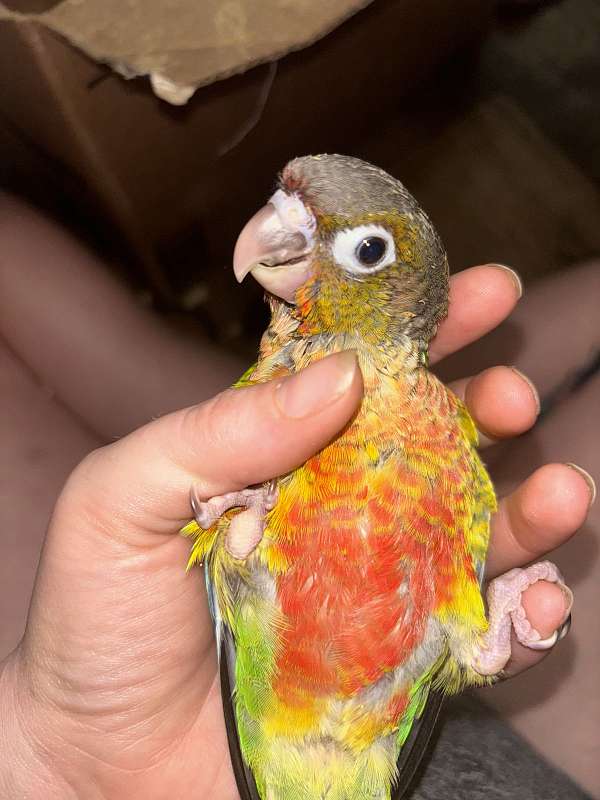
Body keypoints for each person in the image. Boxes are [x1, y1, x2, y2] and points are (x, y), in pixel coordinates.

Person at [0, 193, 596, 797]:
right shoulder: (306, 395)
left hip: (321, 756)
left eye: (365, 250)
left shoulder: (437, 431)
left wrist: (50, 765)